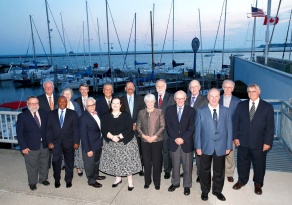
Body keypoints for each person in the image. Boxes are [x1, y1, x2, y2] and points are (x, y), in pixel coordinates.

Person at [233, 84, 274, 195]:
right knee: (242, 162)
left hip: (259, 143)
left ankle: (258, 184)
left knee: (259, 164)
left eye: (254, 91)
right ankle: (242, 180)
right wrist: (235, 137)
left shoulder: (267, 107)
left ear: (259, 92)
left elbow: (270, 127)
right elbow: (235, 123)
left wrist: (267, 142)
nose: (251, 93)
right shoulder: (241, 105)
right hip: (243, 141)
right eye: (249, 91)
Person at [194, 88, 233, 202]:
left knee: (219, 170)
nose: (214, 98)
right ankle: (204, 191)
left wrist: (228, 146)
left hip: (221, 146)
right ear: (208, 97)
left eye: (216, 96)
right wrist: (198, 146)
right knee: (204, 169)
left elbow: (229, 129)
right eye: (212, 96)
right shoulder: (201, 111)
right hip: (205, 145)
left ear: (219, 98)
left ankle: (217, 191)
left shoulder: (226, 111)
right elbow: (198, 130)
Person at [99, 97, 142, 191]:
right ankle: (118, 179)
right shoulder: (106, 116)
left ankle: (130, 181)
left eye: (117, 103)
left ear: (120, 105)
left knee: (128, 162)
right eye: (113, 103)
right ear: (111, 104)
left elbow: (129, 128)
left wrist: (119, 136)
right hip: (112, 142)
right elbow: (104, 129)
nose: (115, 105)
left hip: (126, 142)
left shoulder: (126, 115)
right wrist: (112, 137)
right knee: (115, 161)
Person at [16, 96, 50, 191]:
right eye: (32, 103)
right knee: (32, 165)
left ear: (38, 104)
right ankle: (32, 182)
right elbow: (19, 134)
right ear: (27, 104)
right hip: (30, 146)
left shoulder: (44, 113)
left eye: (36, 103)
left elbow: (48, 129)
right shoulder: (22, 116)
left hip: (44, 145)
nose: (34, 105)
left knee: (44, 163)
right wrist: (23, 147)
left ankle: (43, 179)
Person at [165, 90, 195, 196]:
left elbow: (192, 127)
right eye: (177, 98)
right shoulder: (169, 110)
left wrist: (183, 139)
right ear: (174, 99)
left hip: (186, 142)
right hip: (174, 142)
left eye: (182, 98)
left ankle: (187, 185)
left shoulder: (191, 110)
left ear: (185, 99)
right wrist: (176, 138)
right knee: (175, 165)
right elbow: (168, 126)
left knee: (187, 166)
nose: (180, 100)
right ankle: (175, 182)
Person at [46, 96, 80, 188]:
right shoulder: (51, 114)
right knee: (56, 162)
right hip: (55, 143)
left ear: (66, 103)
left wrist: (76, 142)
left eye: (64, 102)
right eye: (60, 102)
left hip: (69, 142)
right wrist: (49, 141)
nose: (62, 103)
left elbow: (76, 129)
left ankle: (68, 180)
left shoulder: (73, 113)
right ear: (57, 102)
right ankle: (57, 180)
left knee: (69, 162)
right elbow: (48, 129)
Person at [136, 93, 165, 190]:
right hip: (144, 141)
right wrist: (144, 136)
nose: (149, 103)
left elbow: (162, 126)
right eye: (148, 101)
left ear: (154, 102)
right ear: (145, 102)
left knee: (156, 162)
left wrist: (154, 137)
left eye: (151, 101)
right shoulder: (141, 112)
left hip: (157, 141)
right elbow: (138, 126)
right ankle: (147, 181)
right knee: (147, 162)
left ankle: (157, 182)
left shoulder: (159, 112)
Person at [79, 97, 105, 188]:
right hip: (90, 145)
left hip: (98, 143)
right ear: (85, 106)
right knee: (89, 164)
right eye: (89, 105)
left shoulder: (96, 114)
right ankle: (91, 180)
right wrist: (88, 149)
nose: (91, 107)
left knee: (96, 162)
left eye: (93, 105)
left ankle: (96, 175)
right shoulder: (83, 118)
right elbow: (83, 136)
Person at [185, 79, 208, 183]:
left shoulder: (205, 100)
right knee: (187, 153)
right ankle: (187, 171)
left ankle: (200, 173)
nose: (193, 89)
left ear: (199, 88)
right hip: (187, 132)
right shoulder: (186, 99)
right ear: (189, 89)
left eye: (195, 87)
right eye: (191, 87)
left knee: (199, 155)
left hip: (199, 132)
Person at [120, 81, 145, 176]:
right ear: (125, 89)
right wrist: (128, 124)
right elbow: (119, 113)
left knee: (139, 148)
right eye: (128, 87)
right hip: (125, 128)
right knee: (126, 148)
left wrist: (136, 124)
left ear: (134, 88)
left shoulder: (141, 99)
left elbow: (143, 113)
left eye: (131, 86)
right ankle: (127, 167)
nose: (130, 88)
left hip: (138, 128)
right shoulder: (121, 100)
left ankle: (139, 167)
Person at [219, 80, 241, 183]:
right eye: (225, 87)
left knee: (230, 154)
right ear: (222, 87)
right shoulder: (217, 99)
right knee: (219, 153)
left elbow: (239, 120)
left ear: (233, 89)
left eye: (229, 87)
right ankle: (219, 171)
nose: (227, 89)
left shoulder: (238, 102)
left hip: (231, 132)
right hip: (218, 132)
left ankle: (229, 173)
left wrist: (237, 135)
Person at [153, 79, 175, 179]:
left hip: (166, 129)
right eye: (158, 86)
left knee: (166, 150)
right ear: (156, 87)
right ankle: (157, 168)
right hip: (154, 130)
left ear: (165, 86)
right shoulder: (151, 97)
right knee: (156, 151)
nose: (160, 87)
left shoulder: (171, 98)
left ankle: (167, 170)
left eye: (162, 86)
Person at [61, 88, 83, 176]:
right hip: (64, 133)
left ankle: (78, 167)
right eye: (65, 94)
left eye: (69, 94)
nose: (67, 95)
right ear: (62, 95)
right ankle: (68, 166)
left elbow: (80, 118)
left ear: (71, 95)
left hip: (75, 132)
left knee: (77, 150)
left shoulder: (76, 105)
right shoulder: (59, 105)